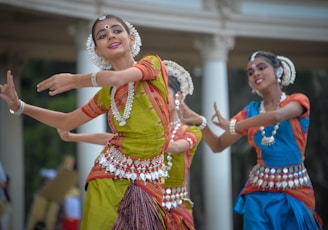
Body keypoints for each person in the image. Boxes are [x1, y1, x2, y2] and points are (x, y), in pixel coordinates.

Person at [0, 14, 171, 230]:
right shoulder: (107, 94)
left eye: (117, 30)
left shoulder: (152, 64)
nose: (110, 35)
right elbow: (67, 121)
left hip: (150, 179)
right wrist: (20, 107)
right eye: (102, 35)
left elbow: (117, 77)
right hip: (109, 175)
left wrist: (74, 80)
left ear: (132, 38)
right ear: (98, 50)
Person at [180, 50, 323, 229]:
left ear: (278, 70)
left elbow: (277, 116)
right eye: (250, 72)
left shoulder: (297, 101)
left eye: (262, 67)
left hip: (295, 191)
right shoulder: (250, 112)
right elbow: (218, 145)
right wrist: (201, 122)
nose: (255, 73)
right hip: (259, 192)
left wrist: (233, 125)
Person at [56, 60, 203, 229]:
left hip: (176, 211)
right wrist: (74, 137)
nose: (159, 99)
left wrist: (145, 137)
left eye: (164, 93)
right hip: (150, 199)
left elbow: (176, 147)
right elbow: (111, 139)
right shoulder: (146, 130)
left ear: (177, 97)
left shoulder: (190, 132)